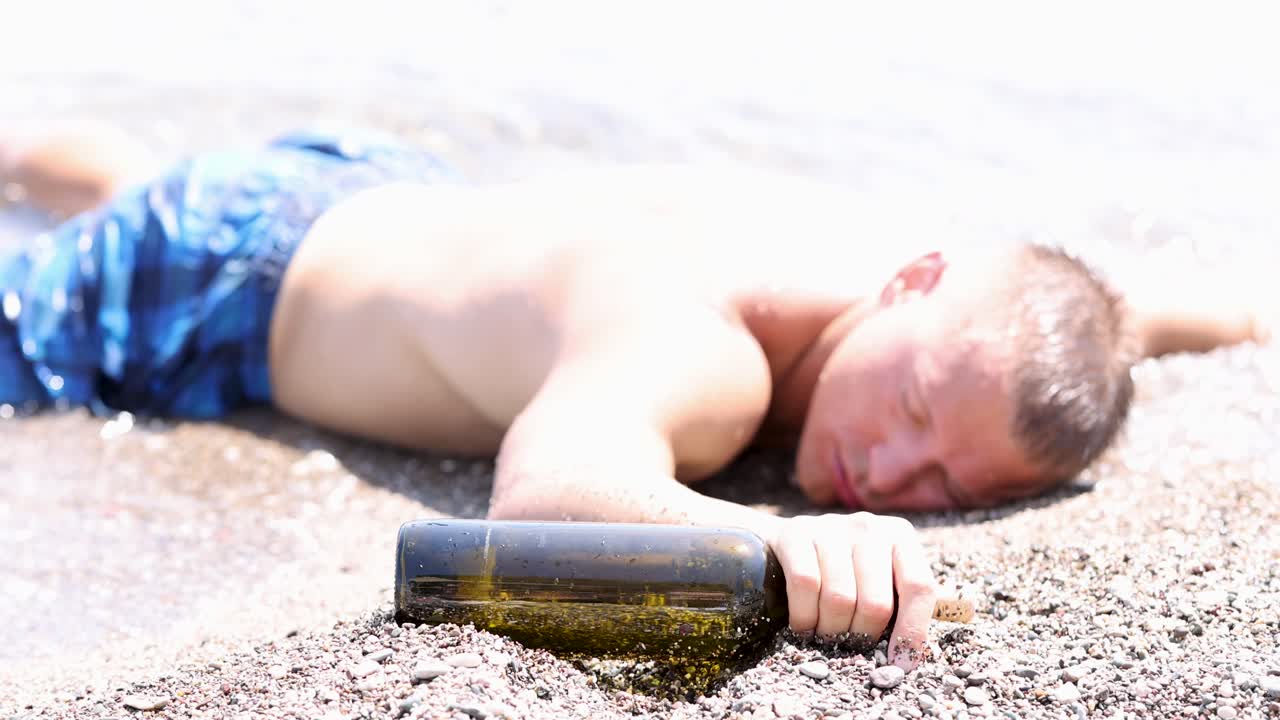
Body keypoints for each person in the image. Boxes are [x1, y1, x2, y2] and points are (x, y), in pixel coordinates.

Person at [1, 124, 1269, 670]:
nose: (889, 474)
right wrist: (783, 537)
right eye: (915, 418)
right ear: (912, 283)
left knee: (136, 176)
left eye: (947, 488)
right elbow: (547, 494)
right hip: (212, 285)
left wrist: (1245, 320)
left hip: (377, 193)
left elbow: (1124, 309)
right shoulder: (698, 350)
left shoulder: (924, 298)